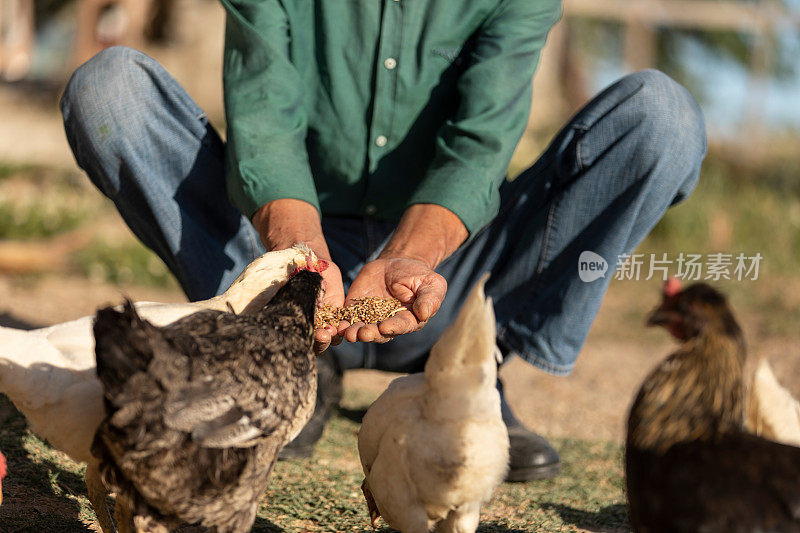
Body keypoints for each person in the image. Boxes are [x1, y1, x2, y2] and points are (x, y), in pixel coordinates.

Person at [60, 0, 706, 482]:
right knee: (109, 91)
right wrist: (303, 267)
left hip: (445, 272)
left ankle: (472, 371)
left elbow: (479, 147)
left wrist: (409, 258)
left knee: (663, 120)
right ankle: (281, 357)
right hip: (277, 256)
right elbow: (263, 119)